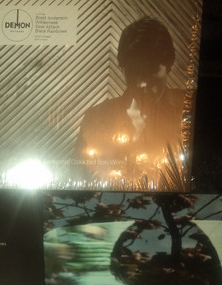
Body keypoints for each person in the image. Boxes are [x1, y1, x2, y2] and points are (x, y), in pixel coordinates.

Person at [76, 17, 188, 186]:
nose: (141, 83)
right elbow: (79, 178)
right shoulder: (96, 119)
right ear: (122, 68)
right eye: (134, 72)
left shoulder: (189, 111)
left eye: (150, 71)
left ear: (169, 66)